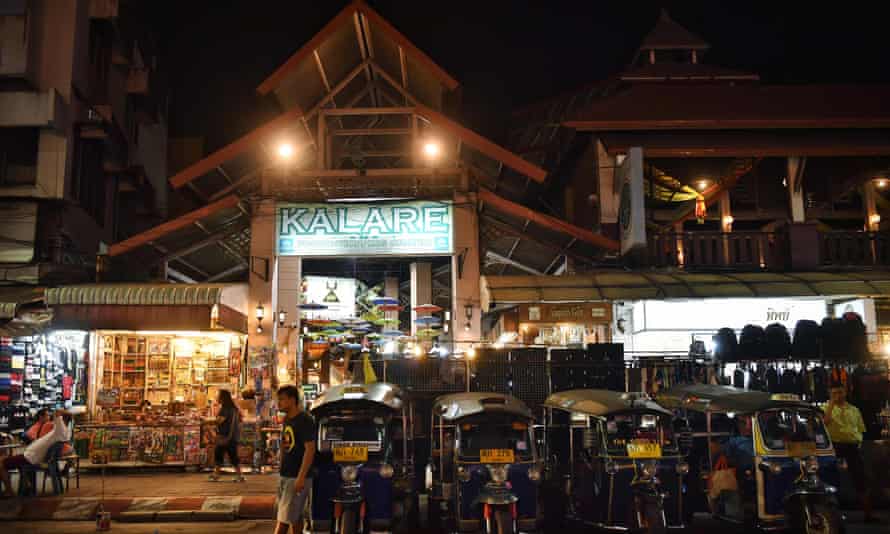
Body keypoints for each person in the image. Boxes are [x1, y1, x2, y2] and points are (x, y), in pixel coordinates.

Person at [823, 385, 876, 523]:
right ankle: (830, 516)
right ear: (830, 394)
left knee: (861, 479)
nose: (837, 395)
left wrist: (859, 443)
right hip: (834, 447)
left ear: (845, 392)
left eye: (840, 392)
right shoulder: (825, 408)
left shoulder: (854, 410)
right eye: (834, 393)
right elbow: (825, 423)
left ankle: (868, 514)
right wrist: (831, 405)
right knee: (830, 480)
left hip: (852, 447)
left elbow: (860, 429)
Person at [0, 409, 73, 497]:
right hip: (31, 456)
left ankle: (9, 491)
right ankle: (26, 485)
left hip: (30, 457)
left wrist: (61, 412)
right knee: (5, 460)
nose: (50, 417)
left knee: (1, 463)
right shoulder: (63, 431)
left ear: (62, 419)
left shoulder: (60, 429)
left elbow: (57, 413)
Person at [275, 385, 316, 534]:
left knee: (283, 521)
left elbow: (310, 450)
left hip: (296, 477)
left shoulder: (305, 420)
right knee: (294, 517)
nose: (278, 403)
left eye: (281, 400)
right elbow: (286, 444)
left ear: (292, 400)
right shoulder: (287, 419)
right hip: (286, 474)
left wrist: (301, 477)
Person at [209, 389, 244, 482]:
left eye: (218, 396)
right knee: (230, 455)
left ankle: (218, 474)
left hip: (225, 436)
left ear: (223, 398)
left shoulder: (225, 409)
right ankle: (237, 475)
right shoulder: (234, 409)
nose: (217, 397)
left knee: (221, 454)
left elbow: (219, 421)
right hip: (232, 436)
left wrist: (206, 422)